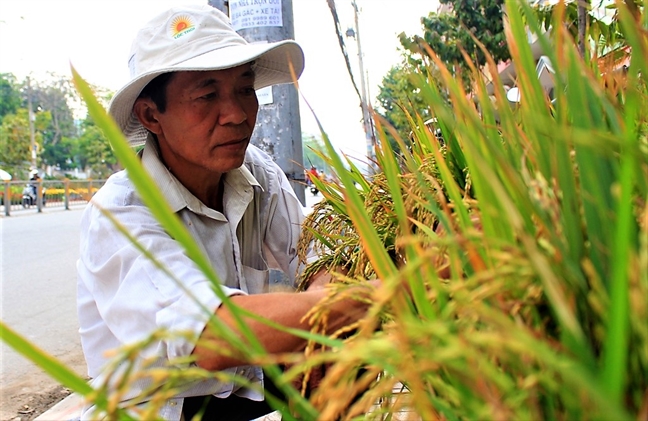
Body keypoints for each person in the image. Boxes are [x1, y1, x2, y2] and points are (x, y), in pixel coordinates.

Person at [76, 5, 374, 420]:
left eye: (244, 89)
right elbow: (215, 335)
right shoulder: (121, 213)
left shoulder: (254, 172)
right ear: (151, 115)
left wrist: (327, 298)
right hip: (161, 408)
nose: (236, 114)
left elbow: (318, 251)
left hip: (241, 394)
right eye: (206, 95)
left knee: (344, 349)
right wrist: (369, 298)